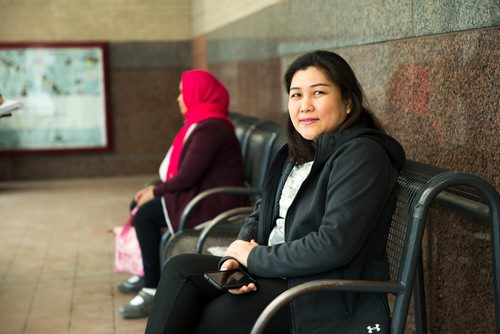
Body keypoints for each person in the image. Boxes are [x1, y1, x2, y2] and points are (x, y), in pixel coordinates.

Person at [145, 50, 406, 334]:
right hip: (280, 272)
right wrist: (235, 257)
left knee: (215, 316)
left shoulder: (362, 155)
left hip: (321, 293)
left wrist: (255, 259)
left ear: (347, 102)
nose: (305, 106)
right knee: (180, 270)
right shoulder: (298, 153)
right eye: (296, 95)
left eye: (318, 93)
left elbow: (334, 245)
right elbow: (260, 214)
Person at [117, 69, 249, 319]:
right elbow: (181, 170)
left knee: (146, 215)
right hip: (202, 192)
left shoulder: (213, 127)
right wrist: (154, 188)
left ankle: (151, 288)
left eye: (182, 91)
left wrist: (156, 190)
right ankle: (147, 272)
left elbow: (188, 175)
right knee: (140, 204)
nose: (179, 98)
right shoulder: (201, 123)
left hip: (213, 201)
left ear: (198, 93)